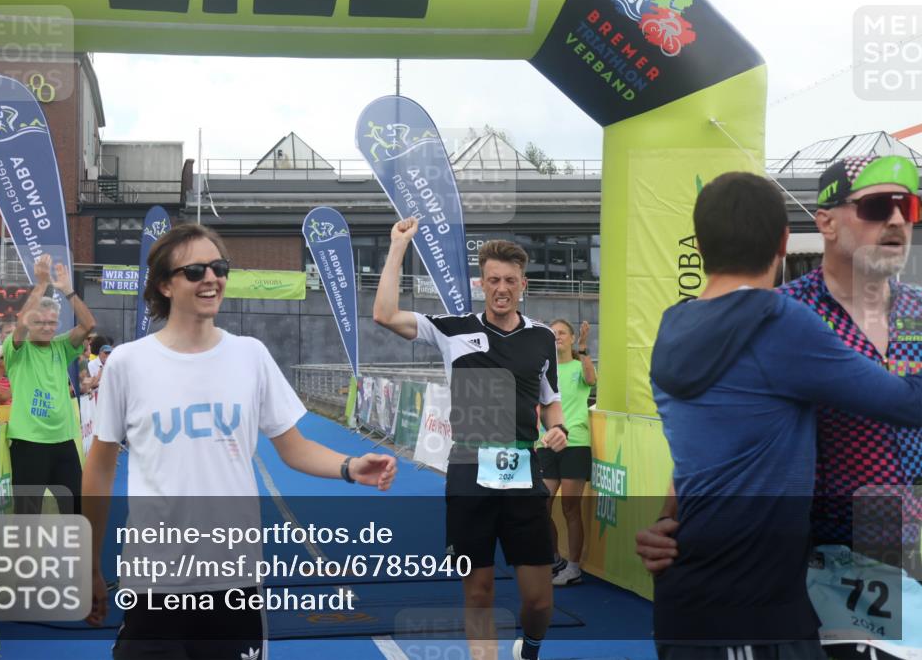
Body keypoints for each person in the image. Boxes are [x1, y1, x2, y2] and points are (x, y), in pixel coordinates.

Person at [637, 163, 922, 658]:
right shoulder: (783, 314)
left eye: (910, 206)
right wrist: (667, 516)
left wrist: (672, 520)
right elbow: (906, 403)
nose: (897, 220)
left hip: (900, 567)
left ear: (699, 247)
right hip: (807, 583)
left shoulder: (677, 323)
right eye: (877, 207)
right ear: (812, 228)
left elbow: (715, 433)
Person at [82, 223, 397, 660]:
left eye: (219, 267)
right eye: (195, 271)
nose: (211, 278)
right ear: (165, 285)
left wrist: (349, 466)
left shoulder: (250, 355)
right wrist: (89, 563)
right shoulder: (128, 363)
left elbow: (294, 447)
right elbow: (99, 468)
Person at [373, 219, 568, 660]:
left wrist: (558, 429)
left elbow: (551, 402)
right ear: (482, 283)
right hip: (467, 471)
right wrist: (398, 247)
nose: (502, 289)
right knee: (478, 591)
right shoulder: (452, 329)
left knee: (539, 601)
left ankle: (530, 649)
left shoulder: (541, 337)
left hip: (522, 472)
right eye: (494, 280)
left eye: (510, 281)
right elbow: (384, 314)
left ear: (523, 285)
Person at [5, 253, 96, 515]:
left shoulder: (61, 346)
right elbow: (21, 322)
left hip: (64, 441)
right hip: (29, 443)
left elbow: (89, 324)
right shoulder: (18, 349)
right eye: (40, 322)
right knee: (28, 513)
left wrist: (68, 291)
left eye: (52, 323)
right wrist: (42, 283)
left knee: (77, 508)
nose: (47, 327)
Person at [539, 319, 596, 587]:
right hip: (547, 445)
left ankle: (573, 568)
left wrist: (583, 349)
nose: (557, 337)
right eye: (552, 334)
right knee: (540, 506)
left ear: (572, 338)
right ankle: (554, 559)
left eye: (562, 333)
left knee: (570, 508)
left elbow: (591, 380)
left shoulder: (578, 365)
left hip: (575, 444)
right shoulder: (544, 369)